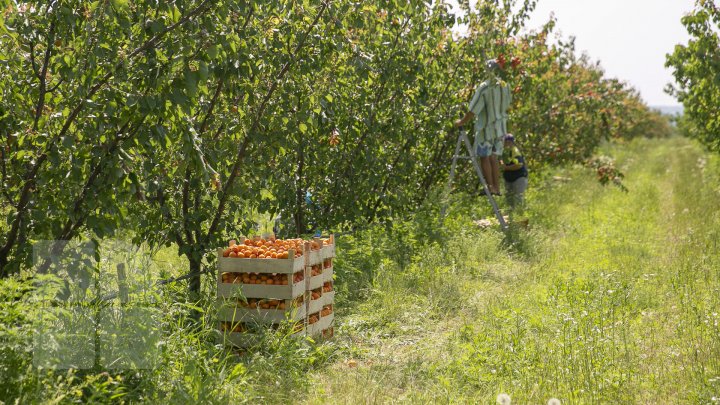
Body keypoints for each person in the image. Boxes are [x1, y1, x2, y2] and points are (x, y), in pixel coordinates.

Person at [455, 59, 512, 195]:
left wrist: (461, 122)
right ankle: (497, 188)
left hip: (486, 129)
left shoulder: (485, 87)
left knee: (484, 156)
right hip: (500, 129)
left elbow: (474, 109)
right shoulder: (505, 86)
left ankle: (490, 187)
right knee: (494, 157)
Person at [500, 134, 528, 209]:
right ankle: (510, 213)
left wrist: (506, 168)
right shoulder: (505, 151)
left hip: (519, 178)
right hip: (509, 179)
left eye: (503, 141)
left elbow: (519, 165)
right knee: (509, 198)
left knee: (518, 197)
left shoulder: (514, 151)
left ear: (508, 142)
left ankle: (519, 213)